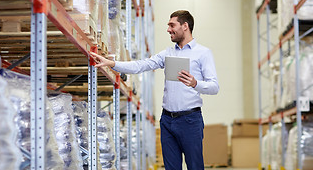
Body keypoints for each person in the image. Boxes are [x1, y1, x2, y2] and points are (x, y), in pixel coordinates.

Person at [90, 10, 219, 170]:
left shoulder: (203, 53)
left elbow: (214, 87)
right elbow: (141, 65)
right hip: (167, 120)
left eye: (172, 25)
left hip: (190, 120)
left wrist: (195, 83)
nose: (168, 29)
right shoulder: (168, 53)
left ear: (185, 26)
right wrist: (113, 64)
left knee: (195, 166)